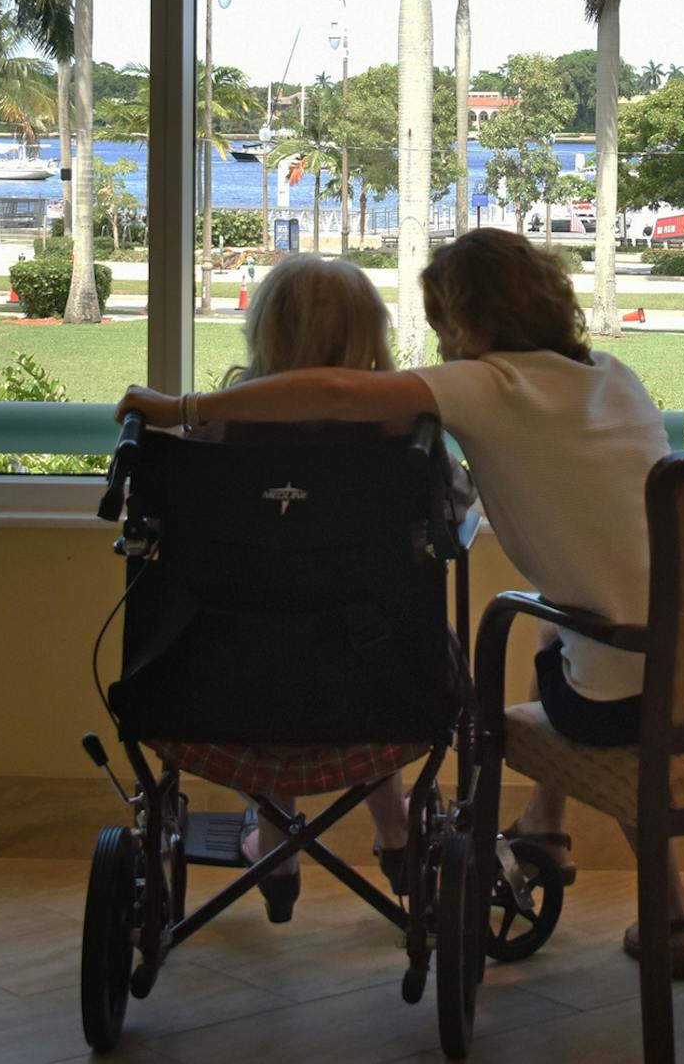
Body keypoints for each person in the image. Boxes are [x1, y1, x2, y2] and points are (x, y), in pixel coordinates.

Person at [118, 228, 684, 976]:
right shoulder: (617, 378)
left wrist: (182, 407)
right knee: (567, 639)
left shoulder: (489, 384)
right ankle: (565, 845)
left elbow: (328, 389)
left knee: (572, 647)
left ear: (462, 324)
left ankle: (558, 838)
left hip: (220, 688)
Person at [176, 254, 468, 921]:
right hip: (378, 676)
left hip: (228, 678)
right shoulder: (405, 437)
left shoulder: (218, 428)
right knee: (370, 627)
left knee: (276, 629)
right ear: (371, 333)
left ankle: (276, 841)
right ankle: (395, 830)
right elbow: (459, 502)